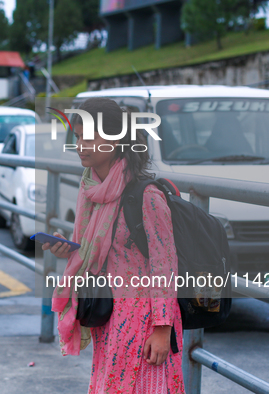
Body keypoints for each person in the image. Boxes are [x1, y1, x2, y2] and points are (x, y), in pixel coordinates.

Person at [45, 98, 185, 393]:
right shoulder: (92, 190)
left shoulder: (145, 197)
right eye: (79, 137)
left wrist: (162, 329)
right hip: (110, 317)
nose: (81, 145)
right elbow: (99, 251)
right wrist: (70, 250)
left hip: (146, 320)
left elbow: (165, 266)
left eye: (90, 138)